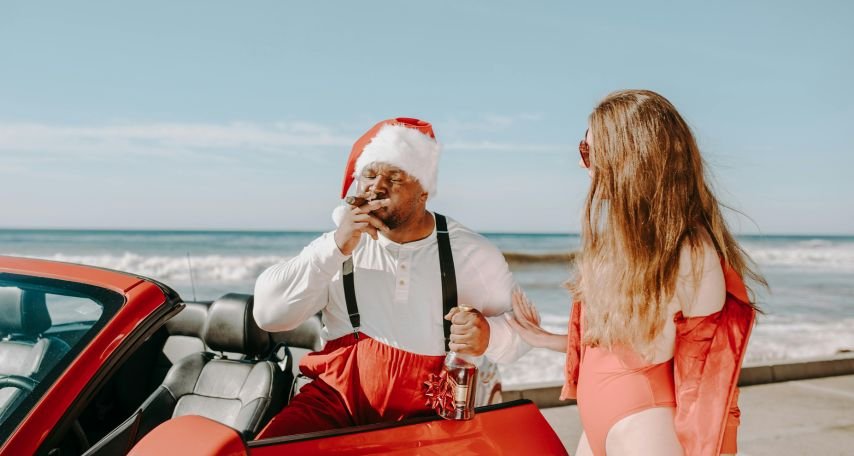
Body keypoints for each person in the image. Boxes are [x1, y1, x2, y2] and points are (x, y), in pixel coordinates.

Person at [506, 90, 766, 456]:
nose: (584, 166)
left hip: (645, 427)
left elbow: (706, 375)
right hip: (602, 422)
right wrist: (548, 339)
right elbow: (617, 339)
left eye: (589, 153)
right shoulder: (622, 240)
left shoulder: (688, 248)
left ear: (628, 158)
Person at [252, 117, 529, 437]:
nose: (377, 186)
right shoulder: (337, 245)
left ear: (424, 191)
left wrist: (489, 336)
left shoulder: (470, 253)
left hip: (428, 420)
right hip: (335, 404)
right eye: (369, 174)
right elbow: (268, 315)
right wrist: (335, 247)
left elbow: (526, 334)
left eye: (395, 176)